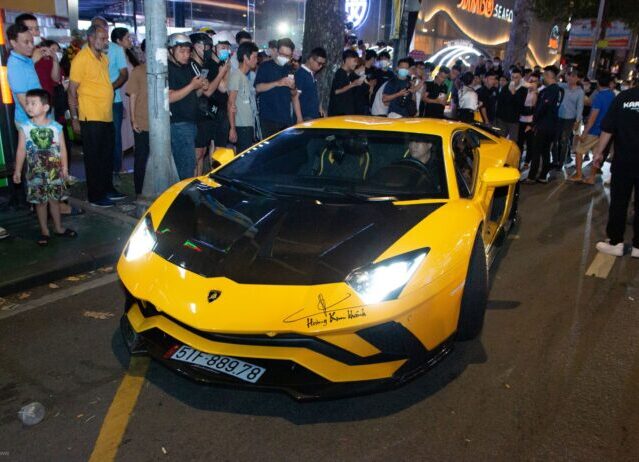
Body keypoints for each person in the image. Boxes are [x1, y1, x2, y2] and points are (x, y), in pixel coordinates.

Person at [68, 25, 124, 207]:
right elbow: (72, 91)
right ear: (91, 38)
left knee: (107, 155)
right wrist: (74, 118)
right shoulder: (81, 59)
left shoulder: (103, 58)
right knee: (94, 158)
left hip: (106, 115)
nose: (106, 41)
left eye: (106, 38)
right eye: (102, 38)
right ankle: (95, 195)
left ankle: (107, 189)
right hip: (90, 116)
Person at [12, 89, 76, 245]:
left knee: (54, 201)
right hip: (35, 173)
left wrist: (65, 169)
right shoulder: (25, 128)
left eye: (33, 103)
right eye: (27, 103)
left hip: (54, 172)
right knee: (40, 203)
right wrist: (18, 170)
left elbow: (62, 149)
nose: (29, 106)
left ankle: (58, 228)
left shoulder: (56, 127)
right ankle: (44, 230)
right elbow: (21, 150)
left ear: (45, 107)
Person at [593, 83, 639, 257]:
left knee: (619, 202)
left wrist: (599, 152)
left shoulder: (624, 97)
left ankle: (615, 242)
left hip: (624, 160)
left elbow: (608, 128)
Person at [167, 33, 207, 180]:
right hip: (179, 124)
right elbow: (169, 97)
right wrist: (192, 86)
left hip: (191, 122)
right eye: (182, 51)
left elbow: (192, 95)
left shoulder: (186, 67)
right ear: (171, 50)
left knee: (190, 163)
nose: (186, 55)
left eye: (188, 51)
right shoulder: (168, 69)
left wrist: (200, 87)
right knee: (185, 166)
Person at [570, 74, 615, 184]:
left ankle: (579, 174)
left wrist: (585, 132)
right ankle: (591, 178)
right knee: (597, 154)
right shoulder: (612, 95)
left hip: (594, 130)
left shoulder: (599, 97)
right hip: (605, 131)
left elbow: (593, 117)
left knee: (579, 150)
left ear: (598, 83)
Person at [254, 37, 302, 137]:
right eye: (282, 54)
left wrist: (299, 117)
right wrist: (277, 83)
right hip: (268, 118)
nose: (284, 57)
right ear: (277, 51)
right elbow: (258, 88)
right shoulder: (265, 66)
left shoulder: (290, 69)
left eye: (287, 56)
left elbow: (294, 95)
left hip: (285, 119)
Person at [525, 65, 563, 184]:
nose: (542, 78)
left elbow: (542, 108)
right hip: (552, 125)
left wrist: (533, 122)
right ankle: (542, 176)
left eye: (544, 75)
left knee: (537, 151)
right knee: (545, 151)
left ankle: (531, 177)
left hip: (543, 125)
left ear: (549, 76)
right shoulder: (559, 90)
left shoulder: (549, 91)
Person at [107, 27, 132, 177]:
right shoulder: (114, 53)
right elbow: (121, 76)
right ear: (118, 40)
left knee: (123, 133)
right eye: (127, 37)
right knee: (118, 134)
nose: (130, 40)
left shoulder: (128, 54)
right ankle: (117, 167)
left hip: (127, 97)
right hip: (119, 95)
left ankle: (119, 167)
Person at [6, 23, 42, 127]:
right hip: (30, 122)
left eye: (32, 42)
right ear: (13, 43)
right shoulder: (15, 65)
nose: (31, 46)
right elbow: (25, 102)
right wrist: (42, 124)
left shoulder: (24, 60)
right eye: (26, 42)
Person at [126, 39, 150, 196]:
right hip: (142, 121)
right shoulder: (138, 71)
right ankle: (139, 192)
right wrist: (133, 120)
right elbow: (132, 96)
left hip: (161, 125)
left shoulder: (166, 71)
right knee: (141, 158)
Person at [228, 41, 260, 154]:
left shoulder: (244, 77)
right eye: (254, 57)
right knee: (242, 159)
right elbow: (230, 103)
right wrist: (232, 128)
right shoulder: (236, 76)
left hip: (248, 125)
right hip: (241, 126)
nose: (257, 60)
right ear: (246, 58)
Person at [556, 70, 584, 167]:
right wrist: (561, 73)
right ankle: (555, 160)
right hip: (558, 116)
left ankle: (560, 163)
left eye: (573, 76)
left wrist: (577, 121)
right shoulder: (562, 86)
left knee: (565, 140)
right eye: (569, 75)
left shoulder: (580, 91)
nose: (570, 78)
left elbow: (580, 107)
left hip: (570, 119)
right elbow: (553, 82)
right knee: (556, 139)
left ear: (577, 78)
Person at [495, 68, 527, 141]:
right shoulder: (506, 87)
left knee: (513, 141)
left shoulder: (523, 89)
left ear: (520, 78)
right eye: (512, 77)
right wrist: (497, 117)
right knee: (500, 140)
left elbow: (520, 105)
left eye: (516, 77)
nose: (514, 79)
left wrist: (513, 94)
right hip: (502, 119)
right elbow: (500, 102)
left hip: (514, 120)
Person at [328, 49, 363, 116]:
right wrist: (353, 84)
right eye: (354, 61)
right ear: (347, 60)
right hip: (339, 113)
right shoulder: (340, 73)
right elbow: (336, 91)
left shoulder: (347, 73)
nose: (356, 64)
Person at [295, 47, 326, 121]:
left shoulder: (311, 74)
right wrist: (299, 118)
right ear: (311, 59)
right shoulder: (301, 74)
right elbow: (295, 97)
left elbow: (312, 94)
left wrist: (319, 108)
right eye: (319, 63)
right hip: (305, 116)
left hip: (313, 116)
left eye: (323, 64)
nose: (320, 66)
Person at [518, 75, 540, 168]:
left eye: (534, 82)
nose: (532, 83)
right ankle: (518, 159)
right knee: (520, 142)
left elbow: (536, 109)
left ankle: (527, 161)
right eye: (531, 81)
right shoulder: (523, 91)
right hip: (521, 120)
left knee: (530, 143)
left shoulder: (537, 94)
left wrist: (531, 124)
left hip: (530, 121)